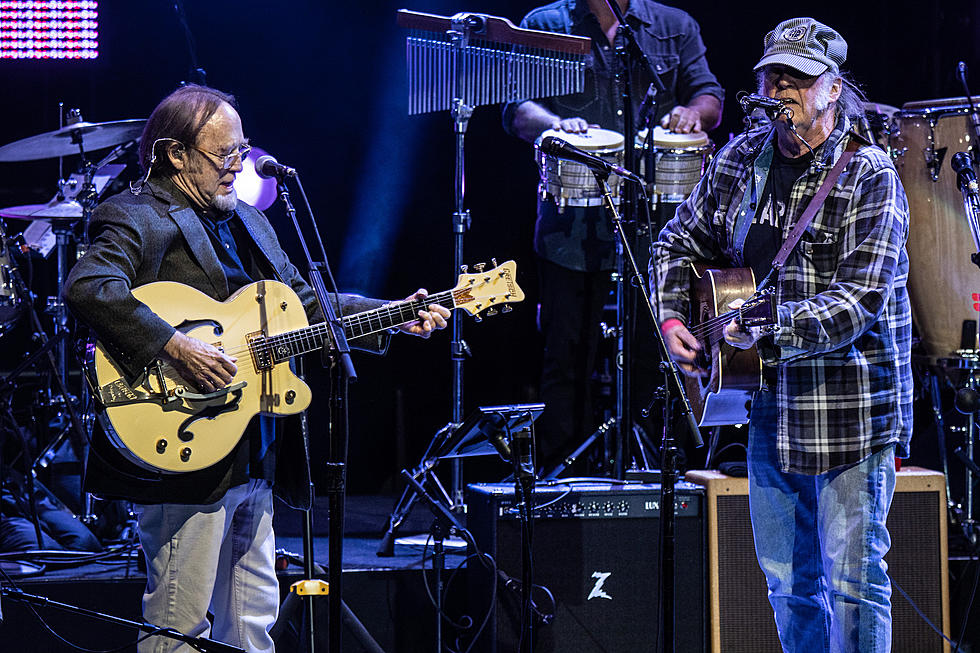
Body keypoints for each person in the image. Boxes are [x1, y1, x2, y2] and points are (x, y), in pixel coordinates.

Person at [63, 85, 450, 653]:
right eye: (224, 156)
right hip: (184, 441)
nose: (236, 168)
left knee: (251, 624)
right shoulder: (135, 214)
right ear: (176, 154)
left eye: (241, 153)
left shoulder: (250, 219)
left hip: (256, 443)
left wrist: (391, 316)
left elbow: (306, 304)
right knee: (178, 624)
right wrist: (175, 346)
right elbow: (89, 288)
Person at [652, 18, 912, 652]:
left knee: (854, 583)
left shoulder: (869, 174)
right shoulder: (742, 158)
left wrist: (764, 331)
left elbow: (857, 303)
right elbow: (676, 241)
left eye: (799, 76)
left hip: (850, 409)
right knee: (787, 581)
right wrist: (673, 318)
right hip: (767, 406)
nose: (783, 87)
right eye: (774, 74)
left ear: (833, 87)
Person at [503, 0, 724, 472]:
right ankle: (561, 475)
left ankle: (652, 471)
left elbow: (710, 96)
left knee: (653, 351)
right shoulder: (546, 25)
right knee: (566, 354)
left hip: (654, 220)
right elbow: (517, 110)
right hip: (571, 224)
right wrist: (553, 125)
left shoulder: (673, 24)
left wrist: (692, 113)